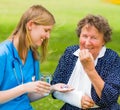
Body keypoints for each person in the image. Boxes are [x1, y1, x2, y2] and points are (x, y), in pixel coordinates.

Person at [0, 5, 73, 110]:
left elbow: (27, 96)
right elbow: (24, 89)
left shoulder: (33, 56)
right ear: (30, 25)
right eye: (46, 30)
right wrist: (24, 88)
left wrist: (52, 88)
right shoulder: (3, 54)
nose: (48, 36)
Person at [51, 14, 120, 110]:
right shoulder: (71, 53)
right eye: (84, 36)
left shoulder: (111, 58)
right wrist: (76, 99)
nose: (87, 42)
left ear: (104, 40)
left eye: (94, 38)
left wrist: (90, 70)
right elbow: (54, 87)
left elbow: (110, 98)